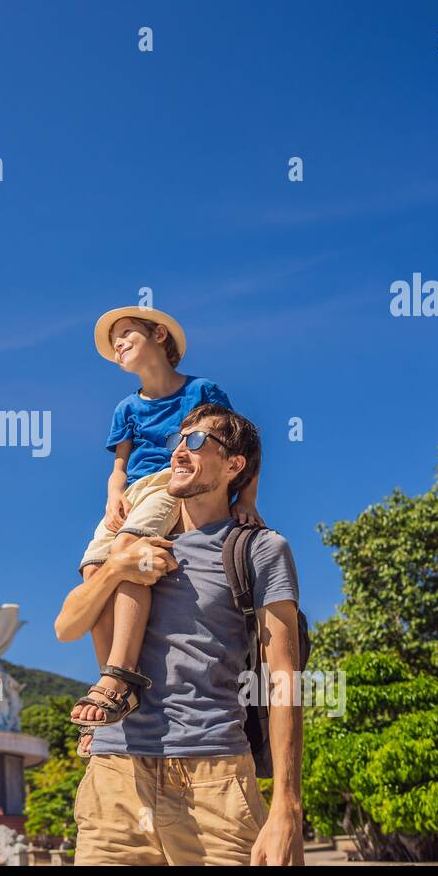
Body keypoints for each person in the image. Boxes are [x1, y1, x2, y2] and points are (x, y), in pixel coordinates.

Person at [54, 405, 304, 865]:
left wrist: (286, 805)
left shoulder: (260, 548)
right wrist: (115, 568)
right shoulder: (131, 546)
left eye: (194, 442)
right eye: (175, 443)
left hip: (214, 778)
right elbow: (67, 626)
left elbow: (283, 677)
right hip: (115, 777)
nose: (178, 453)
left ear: (234, 465)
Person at [66, 307, 260, 755]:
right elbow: (118, 467)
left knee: (129, 552)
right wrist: (113, 495)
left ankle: (120, 676)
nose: (118, 344)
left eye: (125, 333)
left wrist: (245, 501)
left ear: (158, 335)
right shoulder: (126, 407)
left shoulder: (201, 390)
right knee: (94, 568)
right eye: (113, 340)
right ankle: (111, 687)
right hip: (133, 491)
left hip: (171, 480)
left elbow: (239, 442)